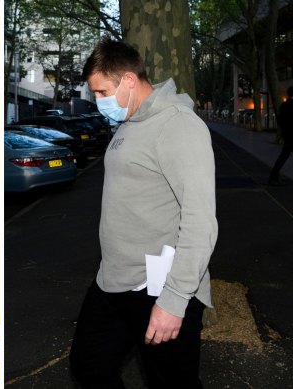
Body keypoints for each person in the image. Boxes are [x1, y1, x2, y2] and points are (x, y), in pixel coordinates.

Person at [69, 37, 218, 388]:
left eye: (102, 92)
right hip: (114, 281)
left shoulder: (178, 125)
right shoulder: (130, 123)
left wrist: (174, 301)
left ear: (129, 81)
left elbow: (200, 222)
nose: (98, 101)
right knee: (90, 365)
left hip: (159, 287)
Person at [269, 86, 293, 186]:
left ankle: (273, 177)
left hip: (287, 136)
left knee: (283, 157)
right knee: (283, 157)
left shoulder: (284, 105)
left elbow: (281, 121)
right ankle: (273, 177)